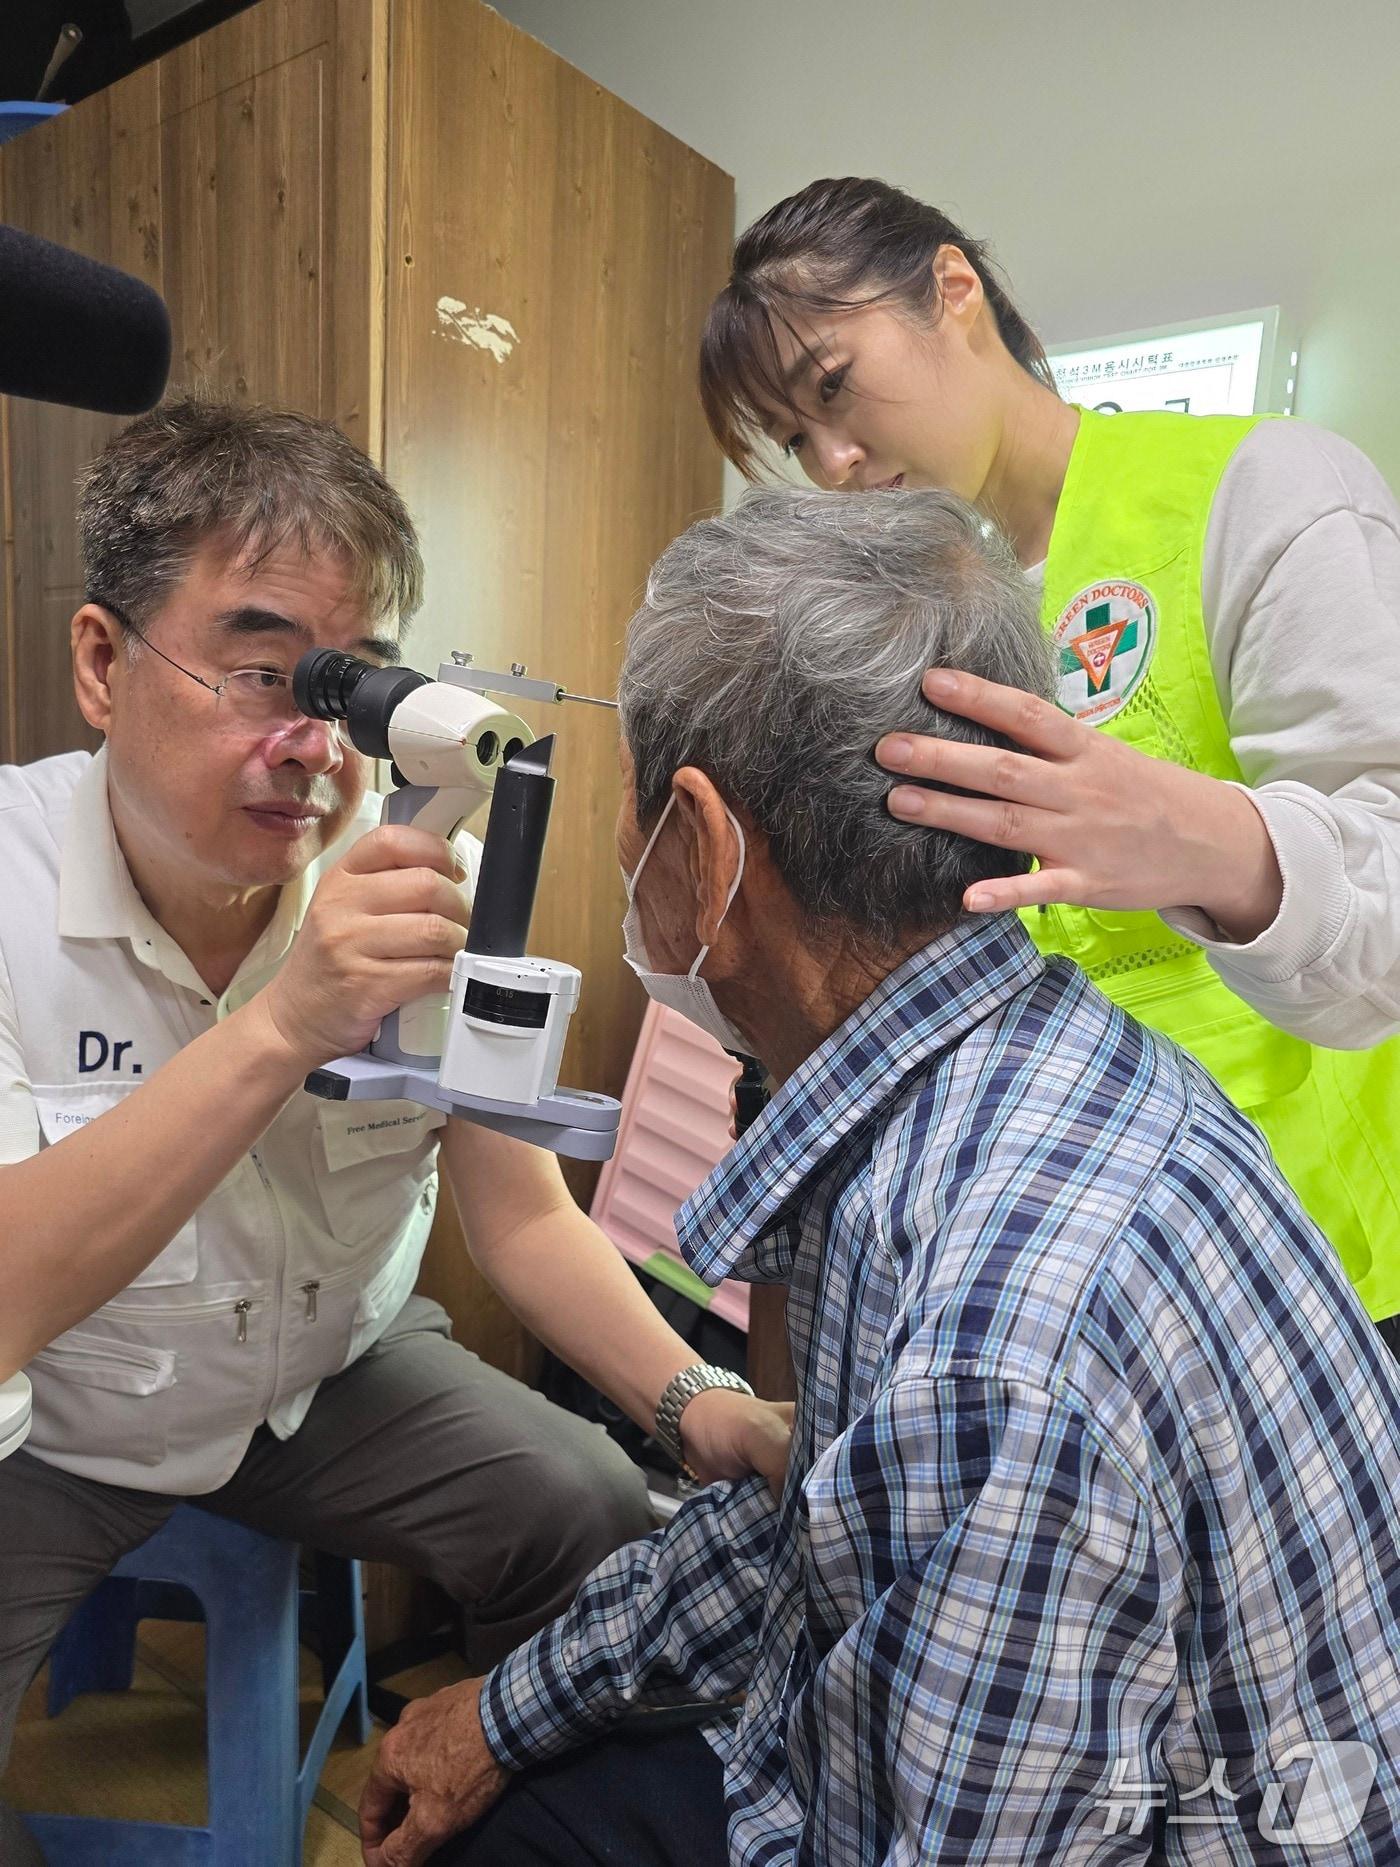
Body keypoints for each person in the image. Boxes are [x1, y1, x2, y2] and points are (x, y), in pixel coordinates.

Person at [358, 487, 1400, 1866]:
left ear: (703, 846)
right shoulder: (1020, 1084)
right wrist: (508, 1708)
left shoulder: (996, 1342)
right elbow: (824, 1539)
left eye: (630, 814)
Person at [0, 397, 790, 1866]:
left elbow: (524, 1212)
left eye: (348, 687)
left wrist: (704, 1405)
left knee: (593, 1506)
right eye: (260, 671)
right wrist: (285, 1023)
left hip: (326, 1376)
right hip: (68, 1416)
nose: (311, 744)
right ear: (104, 662)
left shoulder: (435, 877)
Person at [695, 176, 1400, 1341]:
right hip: (1040, 1273)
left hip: (1303, 1265)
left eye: (831, 386)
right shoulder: (915, 611)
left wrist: (1207, 846)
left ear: (951, 290)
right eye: (793, 438)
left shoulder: (1260, 492)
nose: (832, 459)